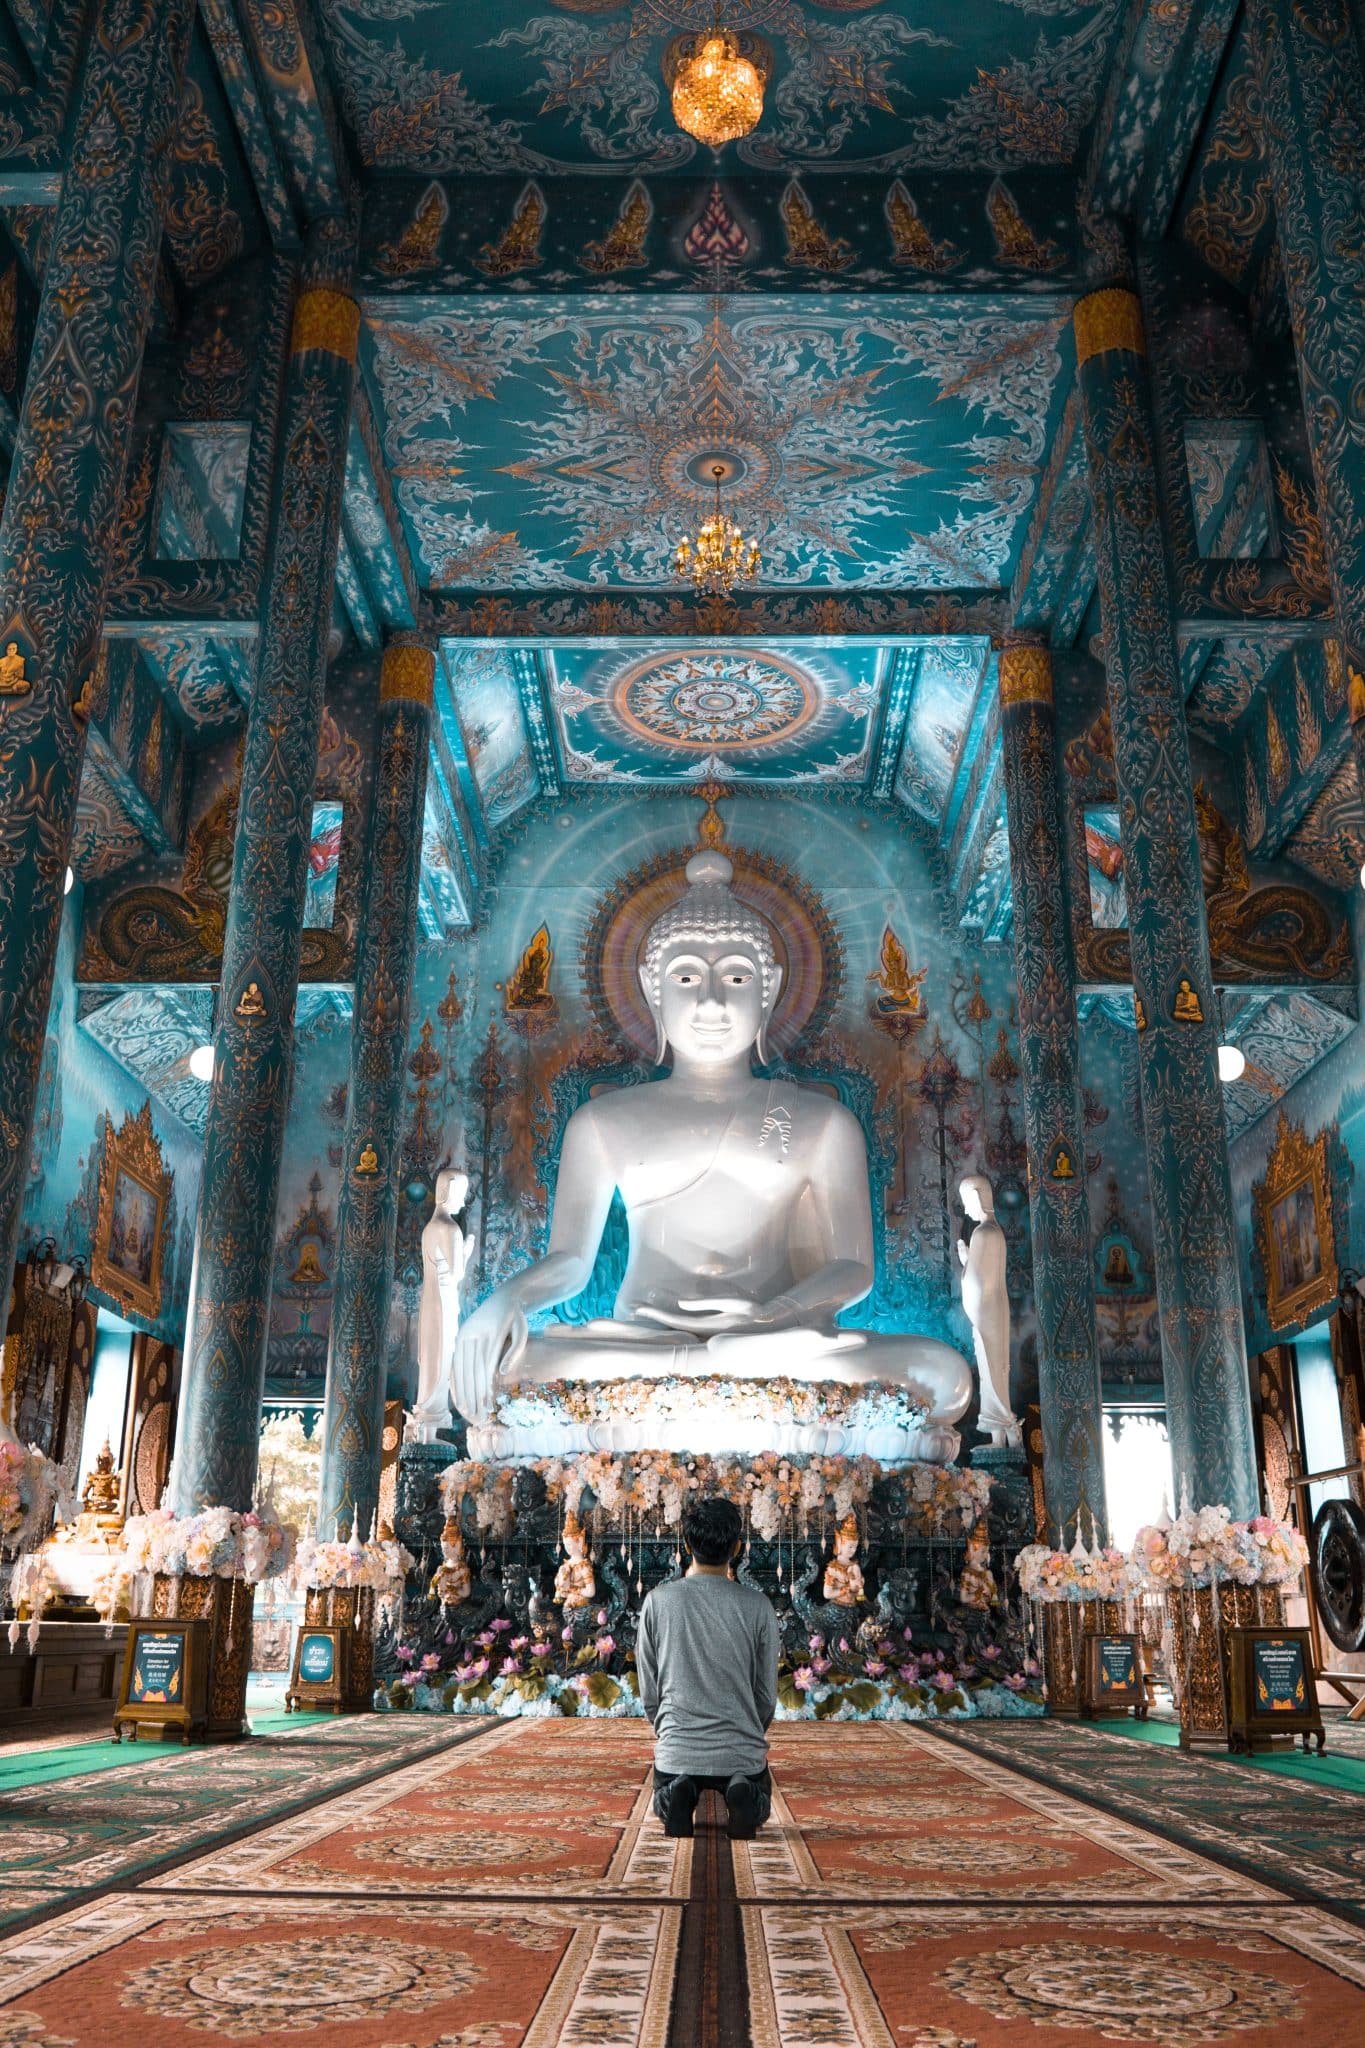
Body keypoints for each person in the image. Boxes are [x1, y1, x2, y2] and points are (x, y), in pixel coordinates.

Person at [635, 1495, 778, 1841]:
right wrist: (747, 1729)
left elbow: (649, 1688)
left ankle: (678, 1790)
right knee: (760, 1801)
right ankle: (741, 1790)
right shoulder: (759, 1606)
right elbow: (766, 1695)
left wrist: (668, 1728)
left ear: (686, 1545)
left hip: (677, 1747)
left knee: (665, 1791)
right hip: (742, 1748)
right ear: (737, 1547)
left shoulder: (657, 1601)